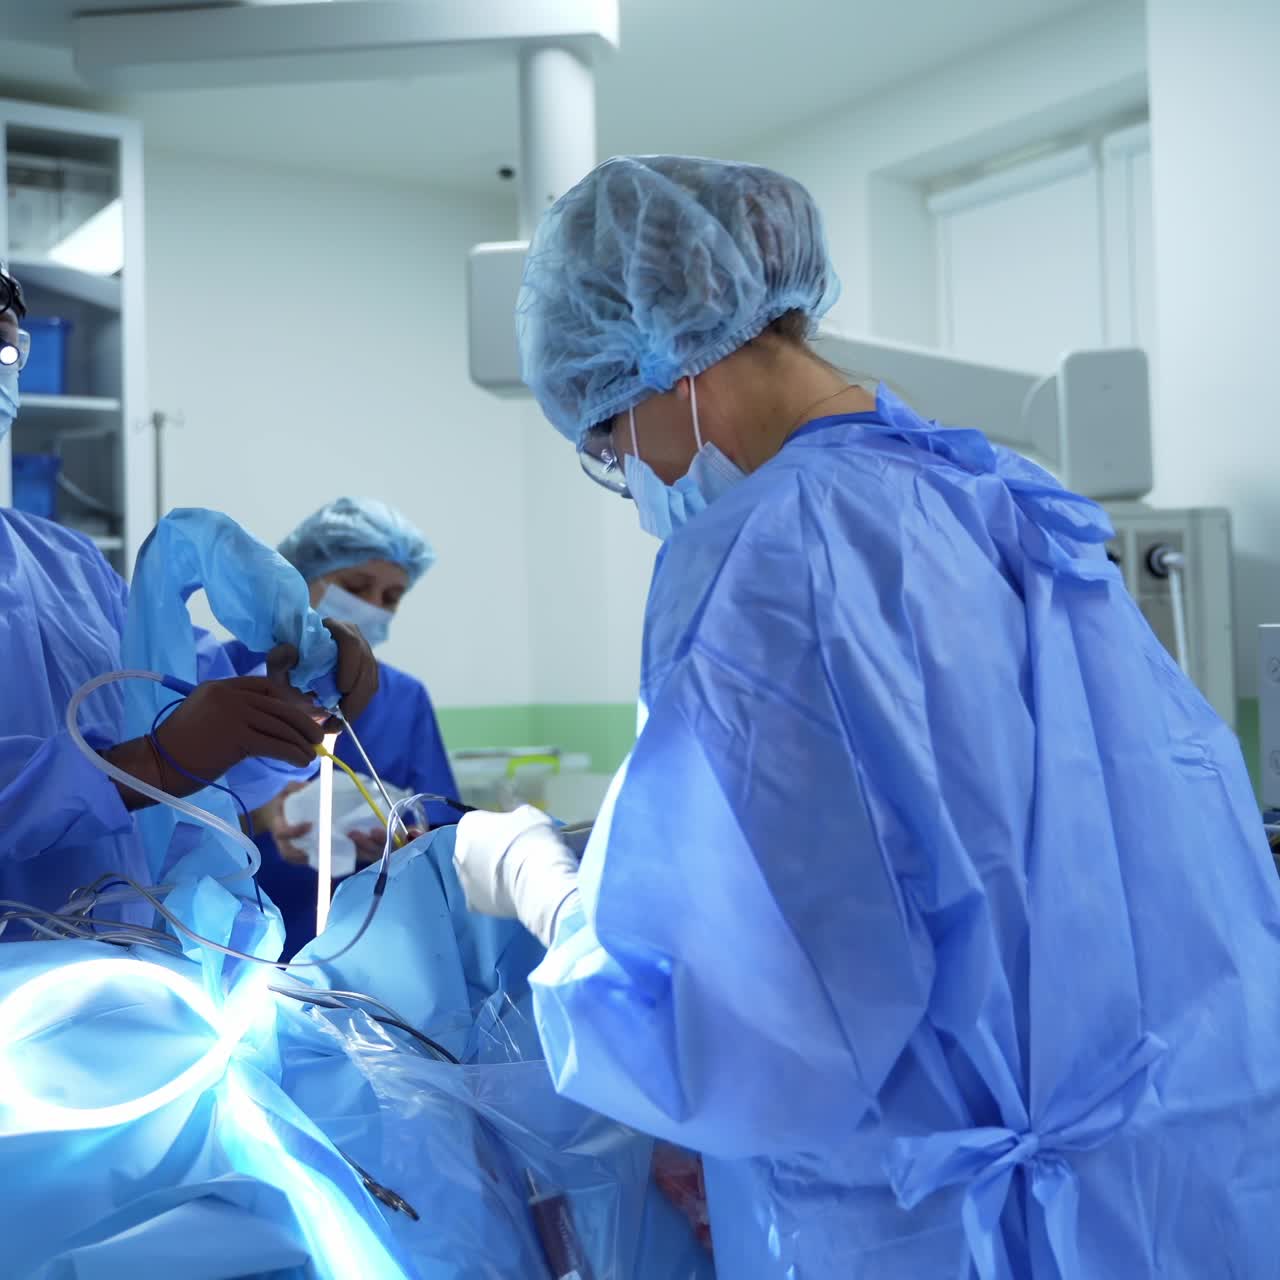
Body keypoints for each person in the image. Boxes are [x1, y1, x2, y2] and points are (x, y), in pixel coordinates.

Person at [452, 157, 1280, 1276]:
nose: (624, 474)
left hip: (936, 1228)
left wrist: (535, 882)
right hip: (1167, 1188)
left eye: (605, 443)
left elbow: (731, 1025)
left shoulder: (763, 558)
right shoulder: (997, 499)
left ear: (657, 368)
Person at [0, 263, 378, 931]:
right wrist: (151, 764)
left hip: (113, 987)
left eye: (6, 350)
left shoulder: (67, 564)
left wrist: (294, 692)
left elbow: (186, 701)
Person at [225, 496, 459, 955]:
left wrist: (402, 841)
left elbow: (438, 823)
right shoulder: (224, 673)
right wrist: (264, 815)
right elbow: (166, 815)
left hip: (366, 940)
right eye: (356, 586)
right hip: (235, 931)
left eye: (391, 597)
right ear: (300, 580)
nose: (373, 607)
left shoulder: (404, 698)